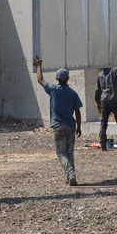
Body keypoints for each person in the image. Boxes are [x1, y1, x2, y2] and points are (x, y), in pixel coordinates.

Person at [32, 56, 83, 186]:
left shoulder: (53, 89)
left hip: (58, 126)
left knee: (61, 152)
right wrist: (79, 127)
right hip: (71, 126)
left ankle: (70, 174)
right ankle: (70, 177)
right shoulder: (73, 94)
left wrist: (39, 66)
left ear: (57, 79)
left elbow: (40, 79)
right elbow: (77, 111)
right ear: (67, 79)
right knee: (70, 152)